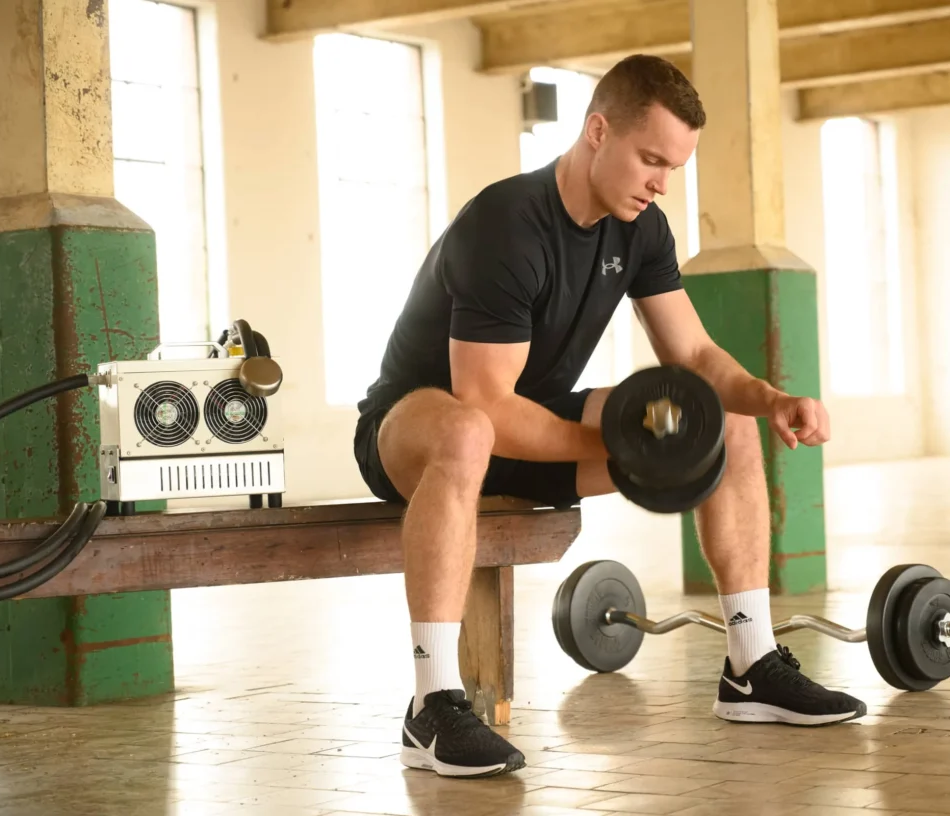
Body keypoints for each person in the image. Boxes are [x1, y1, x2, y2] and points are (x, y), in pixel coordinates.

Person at [353, 54, 866, 779]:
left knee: (720, 419)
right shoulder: (507, 223)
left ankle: (751, 667)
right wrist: (623, 439)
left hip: (526, 423)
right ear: (598, 131)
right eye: (651, 159)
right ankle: (431, 704)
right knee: (468, 433)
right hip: (417, 430)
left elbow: (692, 352)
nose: (660, 183)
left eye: (673, 168)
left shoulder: (641, 228)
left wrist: (770, 396)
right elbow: (487, 404)